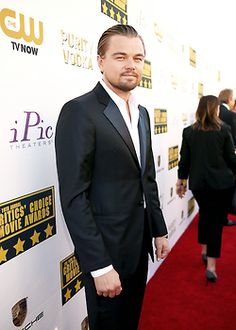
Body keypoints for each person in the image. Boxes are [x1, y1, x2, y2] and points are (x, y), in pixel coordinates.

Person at [55, 24, 170, 330]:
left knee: (129, 322)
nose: (131, 65)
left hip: (138, 242)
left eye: (138, 58)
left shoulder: (142, 112)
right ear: (100, 61)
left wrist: (158, 229)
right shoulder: (79, 111)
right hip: (107, 251)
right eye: (120, 57)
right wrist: (99, 265)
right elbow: (74, 197)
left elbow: (147, 177)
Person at [176, 95, 236, 284]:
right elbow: (231, 161)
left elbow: (184, 160)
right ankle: (211, 266)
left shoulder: (189, 132)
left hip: (199, 186)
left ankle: (203, 250)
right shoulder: (223, 130)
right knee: (215, 222)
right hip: (221, 186)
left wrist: (181, 181)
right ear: (215, 110)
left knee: (206, 215)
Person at [218, 88, 236, 226]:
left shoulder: (213, 111)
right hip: (228, 157)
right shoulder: (230, 115)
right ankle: (224, 215)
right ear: (229, 99)